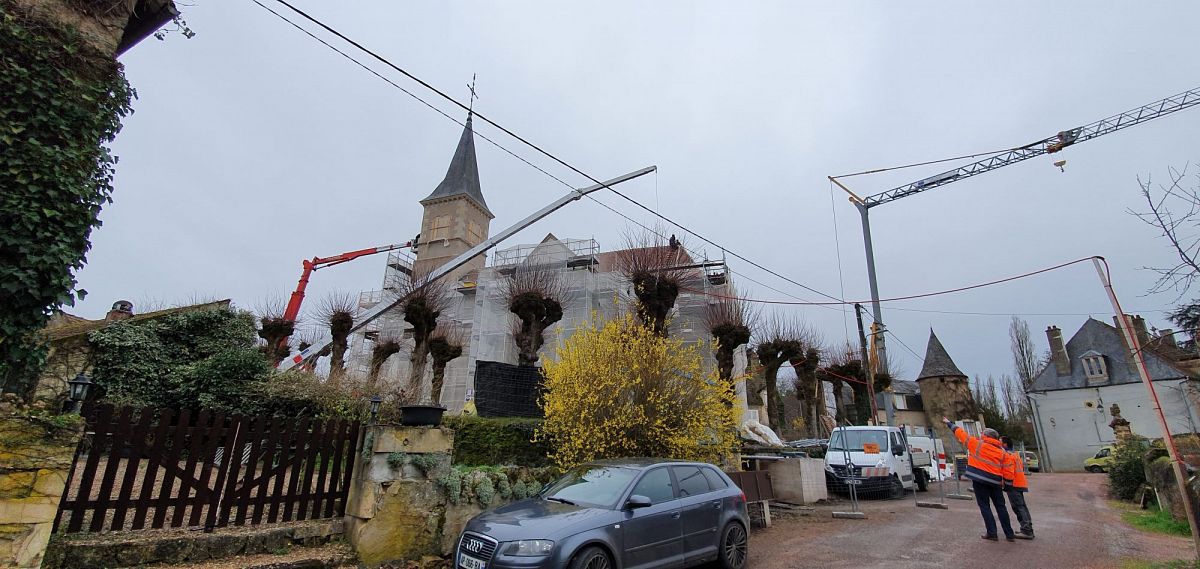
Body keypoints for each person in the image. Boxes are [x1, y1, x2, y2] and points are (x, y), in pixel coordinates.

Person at [943, 417, 1017, 542]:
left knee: (984, 506)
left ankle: (992, 533)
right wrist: (1008, 485)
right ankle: (1009, 534)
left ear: (986, 436)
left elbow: (961, 433)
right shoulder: (1003, 453)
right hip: (995, 482)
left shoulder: (976, 444)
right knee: (1001, 506)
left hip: (979, 480)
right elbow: (1009, 470)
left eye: (982, 433)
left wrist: (949, 423)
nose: (980, 434)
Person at [1000, 435, 1035, 539]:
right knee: (1022, 506)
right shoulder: (1015, 454)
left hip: (1013, 484)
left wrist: (1007, 484)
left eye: (1000, 442)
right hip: (1019, 483)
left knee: (1018, 507)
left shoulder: (1008, 455)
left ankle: (1026, 530)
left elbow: (1009, 471)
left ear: (1005, 444)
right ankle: (1027, 528)